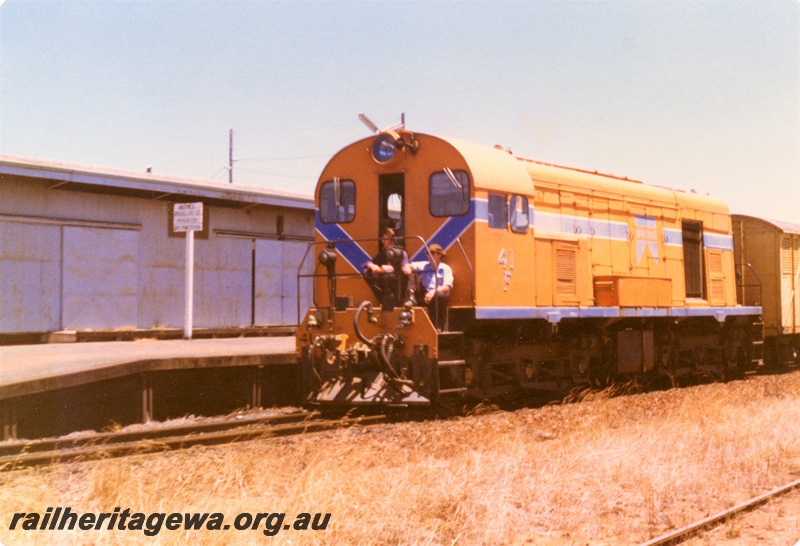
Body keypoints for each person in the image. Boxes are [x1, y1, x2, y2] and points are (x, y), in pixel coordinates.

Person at [402, 243, 453, 331]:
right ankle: (411, 298)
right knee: (412, 273)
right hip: (424, 295)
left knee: (440, 295)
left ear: (439, 255)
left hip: (435, 296)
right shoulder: (424, 265)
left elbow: (447, 286)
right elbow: (408, 265)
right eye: (428, 253)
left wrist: (433, 292)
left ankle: (438, 326)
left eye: (432, 253)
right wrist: (407, 268)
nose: (429, 255)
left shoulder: (445, 268)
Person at [362, 227, 409, 308]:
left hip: (397, 280)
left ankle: (395, 300)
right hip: (384, 279)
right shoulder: (383, 253)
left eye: (385, 239)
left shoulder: (401, 253)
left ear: (392, 240)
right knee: (366, 272)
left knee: (388, 274)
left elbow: (404, 267)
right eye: (382, 240)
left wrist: (389, 268)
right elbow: (368, 262)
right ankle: (382, 298)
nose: (383, 242)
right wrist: (372, 266)